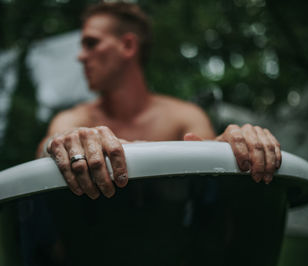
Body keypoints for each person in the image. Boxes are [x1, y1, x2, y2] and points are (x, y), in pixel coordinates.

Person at [37, 2, 281, 200]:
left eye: (92, 43)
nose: (80, 57)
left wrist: (235, 144)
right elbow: (48, 148)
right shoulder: (74, 118)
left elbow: (211, 171)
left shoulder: (185, 116)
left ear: (128, 45)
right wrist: (64, 143)